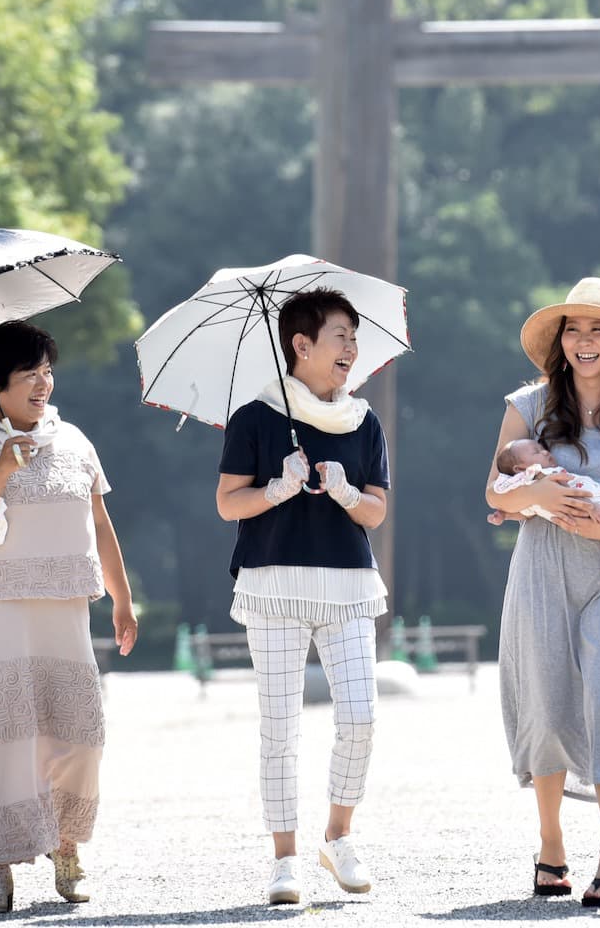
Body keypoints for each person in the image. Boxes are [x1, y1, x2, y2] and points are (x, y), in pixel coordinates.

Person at [0, 320, 139, 916]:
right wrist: (0, 469)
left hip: (64, 608)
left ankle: (66, 847)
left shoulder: (74, 441)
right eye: (29, 374)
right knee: (1, 738)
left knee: (80, 735)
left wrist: (121, 598)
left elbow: (98, 524)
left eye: (47, 370)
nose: (43, 383)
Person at [486, 277, 600, 908]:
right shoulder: (528, 405)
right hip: (541, 569)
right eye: (573, 329)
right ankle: (550, 845)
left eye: (597, 330)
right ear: (559, 341)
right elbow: (495, 490)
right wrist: (534, 495)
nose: (583, 341)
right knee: (545, 698)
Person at [214, 288, 391, 905]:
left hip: (347, 585)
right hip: (272, 586)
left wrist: (344, 494)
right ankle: (284, 858)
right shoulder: (255, 417)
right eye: (340, 336)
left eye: (353, 336)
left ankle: (338, 836)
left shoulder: (364, 420)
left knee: (361, 716)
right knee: (280, 727)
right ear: (301, 345)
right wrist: (277, 490)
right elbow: (227, 502)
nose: (351, 348)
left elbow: (377, 510)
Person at [489, 437, 600, 571]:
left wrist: (504, 515)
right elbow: (569, 495)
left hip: (596, 506)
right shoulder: (545, 476)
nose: (544, 451)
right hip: (597, 505)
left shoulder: (534, 491)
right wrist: (591, 507)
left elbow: (526, 512)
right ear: (520, 469)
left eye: (542, 448)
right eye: (537, 452)